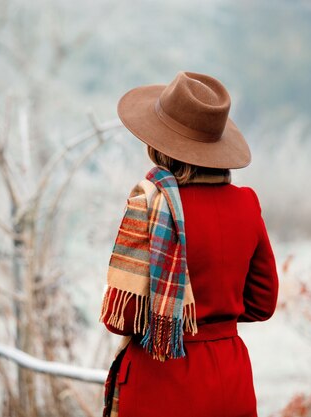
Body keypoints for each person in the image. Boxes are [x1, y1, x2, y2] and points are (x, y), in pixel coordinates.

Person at [99, 71, 279, 417]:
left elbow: (121, 318)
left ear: (159, 146)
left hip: (161, 380)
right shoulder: (246, 204)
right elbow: (262, 304)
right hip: (230, 379)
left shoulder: (149, 206)